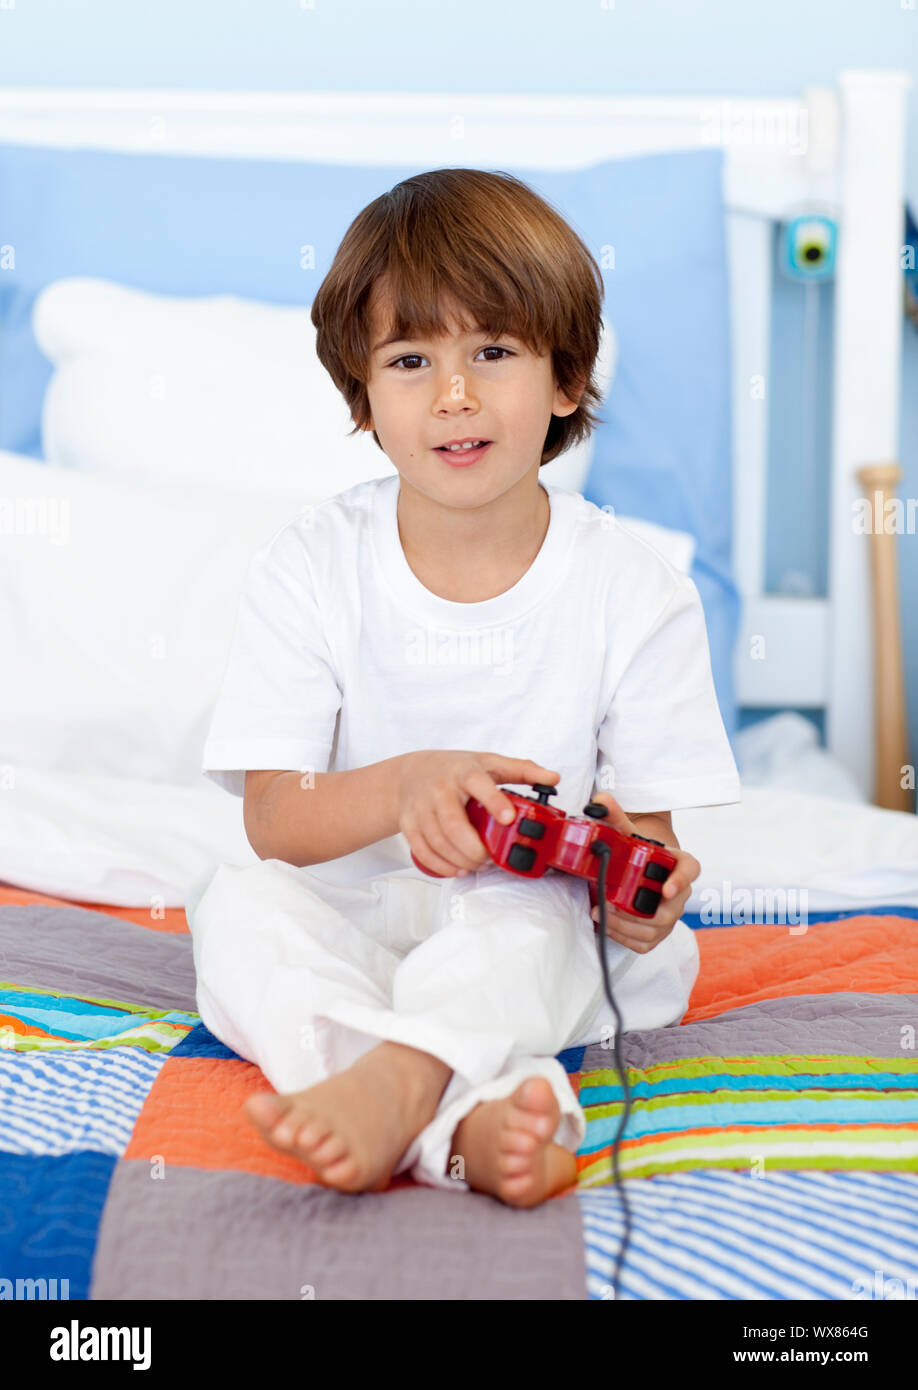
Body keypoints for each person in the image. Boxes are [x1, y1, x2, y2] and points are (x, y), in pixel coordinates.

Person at [186, 167, 742, 1208]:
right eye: (410, 359)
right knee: (240, 913)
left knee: (526, 921)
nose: (454, 394)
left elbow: (649, 855)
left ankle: (392, 1086)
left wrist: (645, 899)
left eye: (493, 350)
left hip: (523, 929)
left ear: (566, 378)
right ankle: (456, 1124)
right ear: (362, 396)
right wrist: (402, 789)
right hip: (351, 913)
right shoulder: (310, 562)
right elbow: (272, 818)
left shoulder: (636, 590)